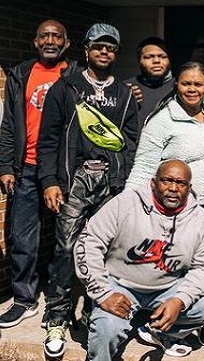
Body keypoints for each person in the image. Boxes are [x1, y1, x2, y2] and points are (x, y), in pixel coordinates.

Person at [36, 22, 138, 358]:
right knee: (66, 248)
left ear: (116, 52)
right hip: (74, 178)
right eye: (98, 46)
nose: (104, 52)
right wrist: (50, 181)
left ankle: (97, 313)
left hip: (110, 182)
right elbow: (48, 139)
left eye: (110, 47)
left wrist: (123, 176)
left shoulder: (124, 93)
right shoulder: (66, 87)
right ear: (86, 49)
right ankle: (57, 318)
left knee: (106, 252)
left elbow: (132, 139)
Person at [74, 159, 204, 359]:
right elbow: (88, 243)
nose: (173, 188)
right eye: (166, 181)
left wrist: (180, 300)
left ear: (189, 187)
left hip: (167, 288)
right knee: (107, 329)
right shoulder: (125, 203)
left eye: (181, 183)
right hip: (118, 283)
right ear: (153, 182)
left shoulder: (199, 219)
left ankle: (160, 331)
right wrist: (102, 293)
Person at [0, 20, 77, 329]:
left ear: (66, 43)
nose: (50, 40)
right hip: (26, 167)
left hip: (64, 170)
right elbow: (8, 125)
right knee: (22, 236)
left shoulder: (77, 75)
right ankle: (24, 298)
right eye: (44, 35)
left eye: (56, 36)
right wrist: (6, 166)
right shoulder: (20, 74)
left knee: (68, 240)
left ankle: (64, 300)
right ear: (35, 42)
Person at [126, 61, 204, 209]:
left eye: (198, 84)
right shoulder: (161, 120)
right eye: (186, 84)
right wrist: (126, 205)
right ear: (176, 85)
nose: (192, 89)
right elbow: (144, 168)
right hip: (173, 207)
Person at [124, 36, 175, 134]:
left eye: (162, 56)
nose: (156, 61)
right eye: (149, 57)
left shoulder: (181, 87)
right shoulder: (125, 88)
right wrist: (124, 100)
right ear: (139, 61)